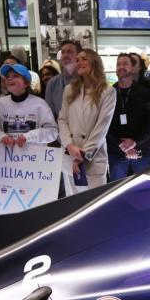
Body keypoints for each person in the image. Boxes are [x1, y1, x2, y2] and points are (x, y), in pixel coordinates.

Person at [58, 49, 116, 192]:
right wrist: (69, 146)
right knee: (72, 206)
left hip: (92, 159)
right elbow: (62, 120)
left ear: (94, 62)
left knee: (95, 205)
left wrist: (83, 154)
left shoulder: (107, 91)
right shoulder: (69, 90)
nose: (79, 62)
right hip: (70, 157)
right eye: (77, 60)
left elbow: (102, 127)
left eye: (84, 59)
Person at [106, 53, 150, 180]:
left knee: (144, 190)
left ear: (133, 68)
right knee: (116, 190)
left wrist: (135, 142)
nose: (121, 67)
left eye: (125, 64)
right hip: (116, 151)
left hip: (142, 150)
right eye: (118, 64)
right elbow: (105, 124)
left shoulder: (144, 92)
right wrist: (122, 144)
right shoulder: (108, 94)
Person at [0, 63, 58, 148]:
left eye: (15, 76)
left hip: (34, 157)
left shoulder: (40, 104)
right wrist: (1, 137)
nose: (9, 78)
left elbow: (52, 131)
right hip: (8, 157)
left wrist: (28, 137)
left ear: (26, 83)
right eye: (7, 76)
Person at [45, 40, 81, 119]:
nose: (65, 55)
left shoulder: (85, 79)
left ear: (78, 56)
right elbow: (50, 114)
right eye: (63, 52)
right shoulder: (52, 83)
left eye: (69, 52)